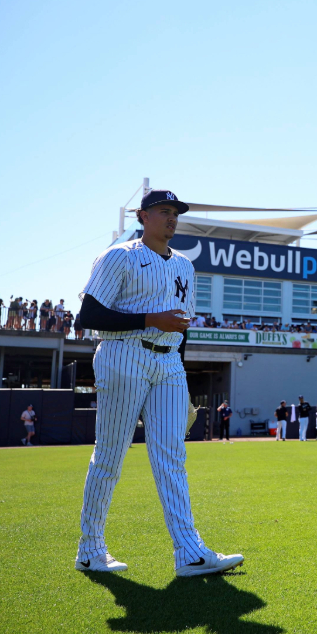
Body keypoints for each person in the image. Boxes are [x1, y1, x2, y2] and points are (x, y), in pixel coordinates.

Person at [74, 188, 241, 577]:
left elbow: (181, 326)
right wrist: (150, 319)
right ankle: (90, 548)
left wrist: (182, 382)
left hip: (168, 362)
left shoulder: (185, 265)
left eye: (175, 213)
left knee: (172, 459)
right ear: (143, 217)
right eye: (163, 211)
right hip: (123, 354)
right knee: (110, 456)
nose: (171, 218)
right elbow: (88, 315)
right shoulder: (120, 256)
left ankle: (189, 552)